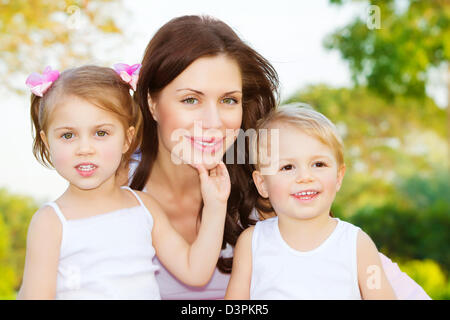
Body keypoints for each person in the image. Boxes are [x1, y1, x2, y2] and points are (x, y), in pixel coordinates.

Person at [129, 15, 430, 300]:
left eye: (228, 100)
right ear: (152, 103)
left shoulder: (264, 188)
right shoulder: (108, 189)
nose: (212, 121)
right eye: (190, 99)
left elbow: (355, 263)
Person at [18, 64, 230, 299]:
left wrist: (216, 206)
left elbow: (196, 272)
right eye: (68, 135)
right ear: (48, 143)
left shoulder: (144, 207)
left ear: (127, 139)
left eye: (101, 133)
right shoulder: (50, 222)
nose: (85, 149)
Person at [226, 104, 398, 299]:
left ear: (339, 176)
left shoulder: (357, 245)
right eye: (288, 167)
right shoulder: (252, 243)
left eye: (318, 164)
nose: (305, 176)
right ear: (262, 183)